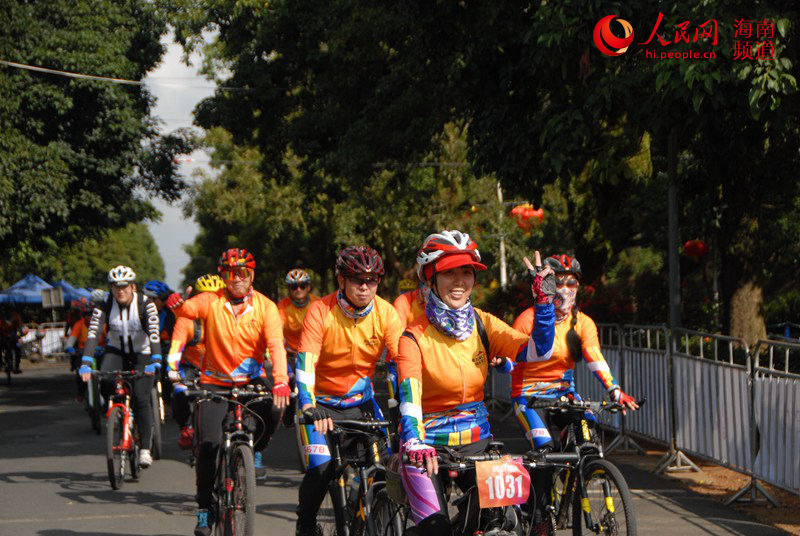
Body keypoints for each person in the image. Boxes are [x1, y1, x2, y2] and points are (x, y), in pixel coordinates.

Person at [396, 230, 556, 536]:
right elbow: (409, 399)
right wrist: (414, 442)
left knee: (501, 522)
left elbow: (537, 352)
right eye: (448, 273)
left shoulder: (484, 323)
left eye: (466, 273)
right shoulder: (413, 337)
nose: (459, 282)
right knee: (436, 530)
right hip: (426, 446)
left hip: (477, 442)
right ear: (429, 279)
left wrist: (544, 303)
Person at [510, 254, 638, 533]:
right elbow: (510, 353)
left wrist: (615, 391)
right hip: (528, 396)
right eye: (559, 282)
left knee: (588, 429)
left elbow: (595, 358)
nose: (565, 288)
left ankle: (576, 476)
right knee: (544, 450)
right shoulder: (528, 318)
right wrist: (502, 362)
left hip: (564, 393)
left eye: (572, 283)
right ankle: (539, 511)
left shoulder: (583, 323)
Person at [165, 248, 290, 536]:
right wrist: (176, 302)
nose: (237, 278)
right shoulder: (211, 301)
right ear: (223, 276)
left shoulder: (266, 307)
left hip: (251, 379)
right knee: (208, 445)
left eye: (243, 273)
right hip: (214, 381)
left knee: (276, 406)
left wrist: (281, 379)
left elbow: (276, 346)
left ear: (252, 276)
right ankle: (204, 508)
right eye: (230, 273)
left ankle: (254, 449)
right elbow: (186, 312)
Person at [294, 246, 404, 536]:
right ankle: (305, 523)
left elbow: (402, 365)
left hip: (361, 403)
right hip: (321, 405)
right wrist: (307, 405)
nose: (365, 287)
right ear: (341, 280)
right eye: (357, 279)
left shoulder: (386, 314)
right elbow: (305, 363)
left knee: (385, 467)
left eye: (372, 280)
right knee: (321, 470)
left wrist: (407, 408)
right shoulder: (320, 310)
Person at [79, 265, 163, 468]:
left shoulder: (146, 304)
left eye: (124, 286)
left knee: (142, 397)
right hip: (117, 351)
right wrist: (86, 362)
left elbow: (153, 332)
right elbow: (93, 333)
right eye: (116, 287)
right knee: (105, 380)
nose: (120, 291)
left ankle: (144, 448)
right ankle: (118, 410)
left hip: (143, 353)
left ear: (132, 287)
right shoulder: (104, 305)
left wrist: (156, 358)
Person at [165, 274, 225, 450]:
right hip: (190, 367)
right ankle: (185, 427)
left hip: (219, 369)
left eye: (216, 297)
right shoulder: (186, 321)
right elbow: (175, 349)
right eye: (204, 297)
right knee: (179, 392)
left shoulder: (230, 319)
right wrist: (173, 371)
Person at [276, 269, 319, 427]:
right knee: (290, 379)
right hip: (291, 353)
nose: (298, 290)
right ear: (289, 290)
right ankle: (288, 412)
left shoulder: (317, 303)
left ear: (308, 287)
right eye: (294, 287)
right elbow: (277, 331)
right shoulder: (282, 307)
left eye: (302, 286)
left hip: (313, 352)